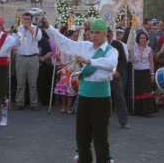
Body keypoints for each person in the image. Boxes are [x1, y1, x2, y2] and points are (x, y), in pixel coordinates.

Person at [42, 17, 118, 163]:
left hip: (102, 98)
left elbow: (111, 64)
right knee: (82, 135)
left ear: (105, 34)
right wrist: (48, 27)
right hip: (84, 97)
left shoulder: (111, 51)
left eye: (97, 32)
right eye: (91, 32)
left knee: (100, 136)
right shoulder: (84, 46)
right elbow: (64, 42)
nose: (93, 35)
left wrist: (89, 61)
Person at [0, 15, 19, 126]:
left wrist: (16, 32)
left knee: (1, 91)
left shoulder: (8, 38)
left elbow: (18, 43)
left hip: (1, 67)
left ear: (2, 26)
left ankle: (4, 117)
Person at [15, 12, 42, 111]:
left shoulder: (36, 29)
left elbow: (38, 38)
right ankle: (19, 103)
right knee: (20, 83)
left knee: (33, 83)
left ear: (31, 20)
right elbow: (15, 42)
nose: (26, 20)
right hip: (21, 57)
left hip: (33, 58)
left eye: (28, 19)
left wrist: (29, 28)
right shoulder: (18, 29)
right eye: (24, 18)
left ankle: (34, 104)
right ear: (22, 19)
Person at [106, 28, 130, 129]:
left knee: (120, 98)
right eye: (106, 36)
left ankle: (124, 121)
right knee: (103, 99)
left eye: (109, 35)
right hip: (103, 76)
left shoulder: (118, 45)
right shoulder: (100, 46)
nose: (107, 38)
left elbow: (124, 60)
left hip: (115, 76)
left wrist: (118, 71)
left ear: (112, 35)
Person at [133, 32, 158, 116]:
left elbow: (151, 62)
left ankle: (146, 110)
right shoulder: (134, 48)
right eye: (141, 38)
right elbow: (130, 60)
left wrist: (152, 74)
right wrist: (131, 59)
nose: (142, 39)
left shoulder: (149, 49)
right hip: (136, 71)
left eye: (144, 38)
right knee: (138, 89)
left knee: (146, 90)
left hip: (146, 71)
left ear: (146, 39)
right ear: (138, 39)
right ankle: (137, 110)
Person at [54, 30, 79, 113]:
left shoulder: (77, 46)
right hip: (64, 69)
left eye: (76, 36)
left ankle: (69, 106)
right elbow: (57, 56)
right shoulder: (63, 46)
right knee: (64, 88)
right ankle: (64, 106)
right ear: (70, 36)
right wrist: (56, 58)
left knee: (71, 88)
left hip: (73, 69)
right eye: (74, 36)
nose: (76, 38)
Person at [37, 29, 53, 106]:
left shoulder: (44, 40)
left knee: (41, 82)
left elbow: (50, 51)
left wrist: (43, 58)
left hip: (42, 63)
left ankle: (42, 99)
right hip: (34, 62)